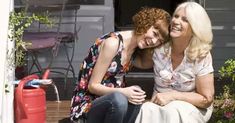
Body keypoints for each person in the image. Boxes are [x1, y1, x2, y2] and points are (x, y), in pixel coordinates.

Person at [70, 7, 171, 123]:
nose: (154, 41)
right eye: (155, 33)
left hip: (112, 107)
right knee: (119, 99)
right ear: (146, 23)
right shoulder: (113, 43)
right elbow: (93, 86)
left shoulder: (133, 49)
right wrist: (123, 92)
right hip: (87, 107)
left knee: (136, 95)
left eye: (159, 41)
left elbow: (147, 63)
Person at [135, 2, 214, 123]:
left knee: (174, 109)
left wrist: (173, 96)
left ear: (195, 27)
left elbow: (206, 99)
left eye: (185, 19)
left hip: (191, 107)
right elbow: (139, 62)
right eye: (176, 16)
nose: (176, 21)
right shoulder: (159, 49)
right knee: (146, 108)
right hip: (158, 105)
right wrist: (117, 46)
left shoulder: (201, 55)